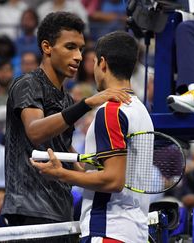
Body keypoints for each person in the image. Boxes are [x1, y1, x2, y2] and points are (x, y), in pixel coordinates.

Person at [1, 11, 131, 231]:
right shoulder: (28, 84)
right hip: (28, 211)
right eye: (71, 47)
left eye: (81, 48)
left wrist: (99, 176)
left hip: (62, 212)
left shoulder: (66, 99)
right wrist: (86, 104)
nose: (79, 56)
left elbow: (65, 151)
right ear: (47, 47)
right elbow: (35, 132)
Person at [32, 31, 153, 242]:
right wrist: (73, 162)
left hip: (108, 230)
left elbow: (113, 180)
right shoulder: (141, 110)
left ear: (103, 63)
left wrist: (60, 174)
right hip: (133, 233)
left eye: (95, 62)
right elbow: (110, 171)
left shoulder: (111, 111)